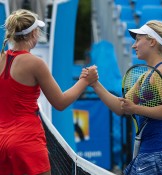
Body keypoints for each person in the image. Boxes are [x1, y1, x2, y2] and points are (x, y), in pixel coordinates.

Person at [0, 9, 98, 175]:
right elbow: (60, 102)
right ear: (34, 34)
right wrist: (85, 81)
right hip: (27, 142)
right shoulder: (35, 63)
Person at [81, 20, 162, 175]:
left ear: (152, 41)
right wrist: (95, 84)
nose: (133, 45)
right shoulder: (145, 76)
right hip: (148, 153)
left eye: (138, 40)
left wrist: (136, 108)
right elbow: (120, 107)